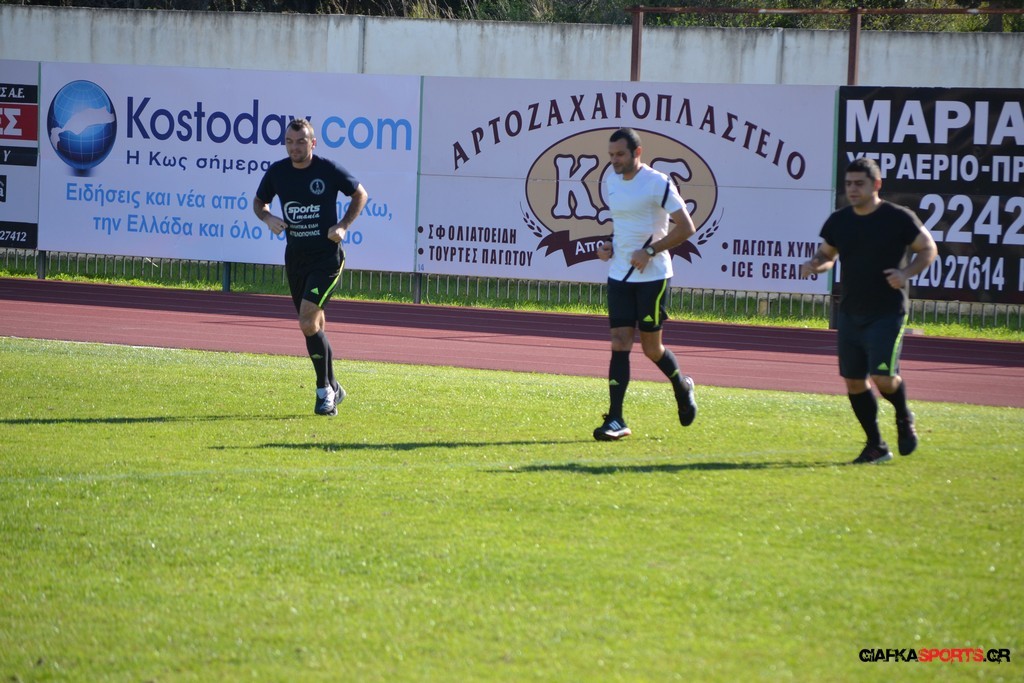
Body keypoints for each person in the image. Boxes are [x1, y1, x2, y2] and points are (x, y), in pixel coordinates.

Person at [800, 157, 937, 464]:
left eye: (859, 183)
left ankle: (903, 414)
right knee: (853, 381)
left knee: (883, 377)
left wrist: (906, 273)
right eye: (849, 183)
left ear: (876, 184)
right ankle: (876, 445)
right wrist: (815, 265)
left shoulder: (898, 217)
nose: (852, 189)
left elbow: (928, 248)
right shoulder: (840, 220)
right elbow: (827, 255)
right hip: (850, 312)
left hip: (887, 311)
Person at [254, 118, 368, 416]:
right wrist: (268, 218)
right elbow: (259, 203)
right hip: (296, 259)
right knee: (313, 325)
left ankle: (323, 392)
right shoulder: (278, 172)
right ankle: (335, 386)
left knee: (307, 321)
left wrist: (343, 225)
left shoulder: (327, 170)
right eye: (289, 142)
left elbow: (360, 194)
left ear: (313, 143)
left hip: (327, 259)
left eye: (301, 142)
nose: (294, 147)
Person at [593, 127, 699, 441]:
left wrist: (650, 251)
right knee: (619, 341)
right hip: (619, 274)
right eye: (611, 155)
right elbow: (624, 226)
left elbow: (687, 228)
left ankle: (681, 386)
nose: (614, 160)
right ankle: (616, 418)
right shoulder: (611, 180)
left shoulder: (657, 182)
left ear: (637, 153)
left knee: (652, 349)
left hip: (653, 277)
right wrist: (608, 246)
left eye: (620, 154)